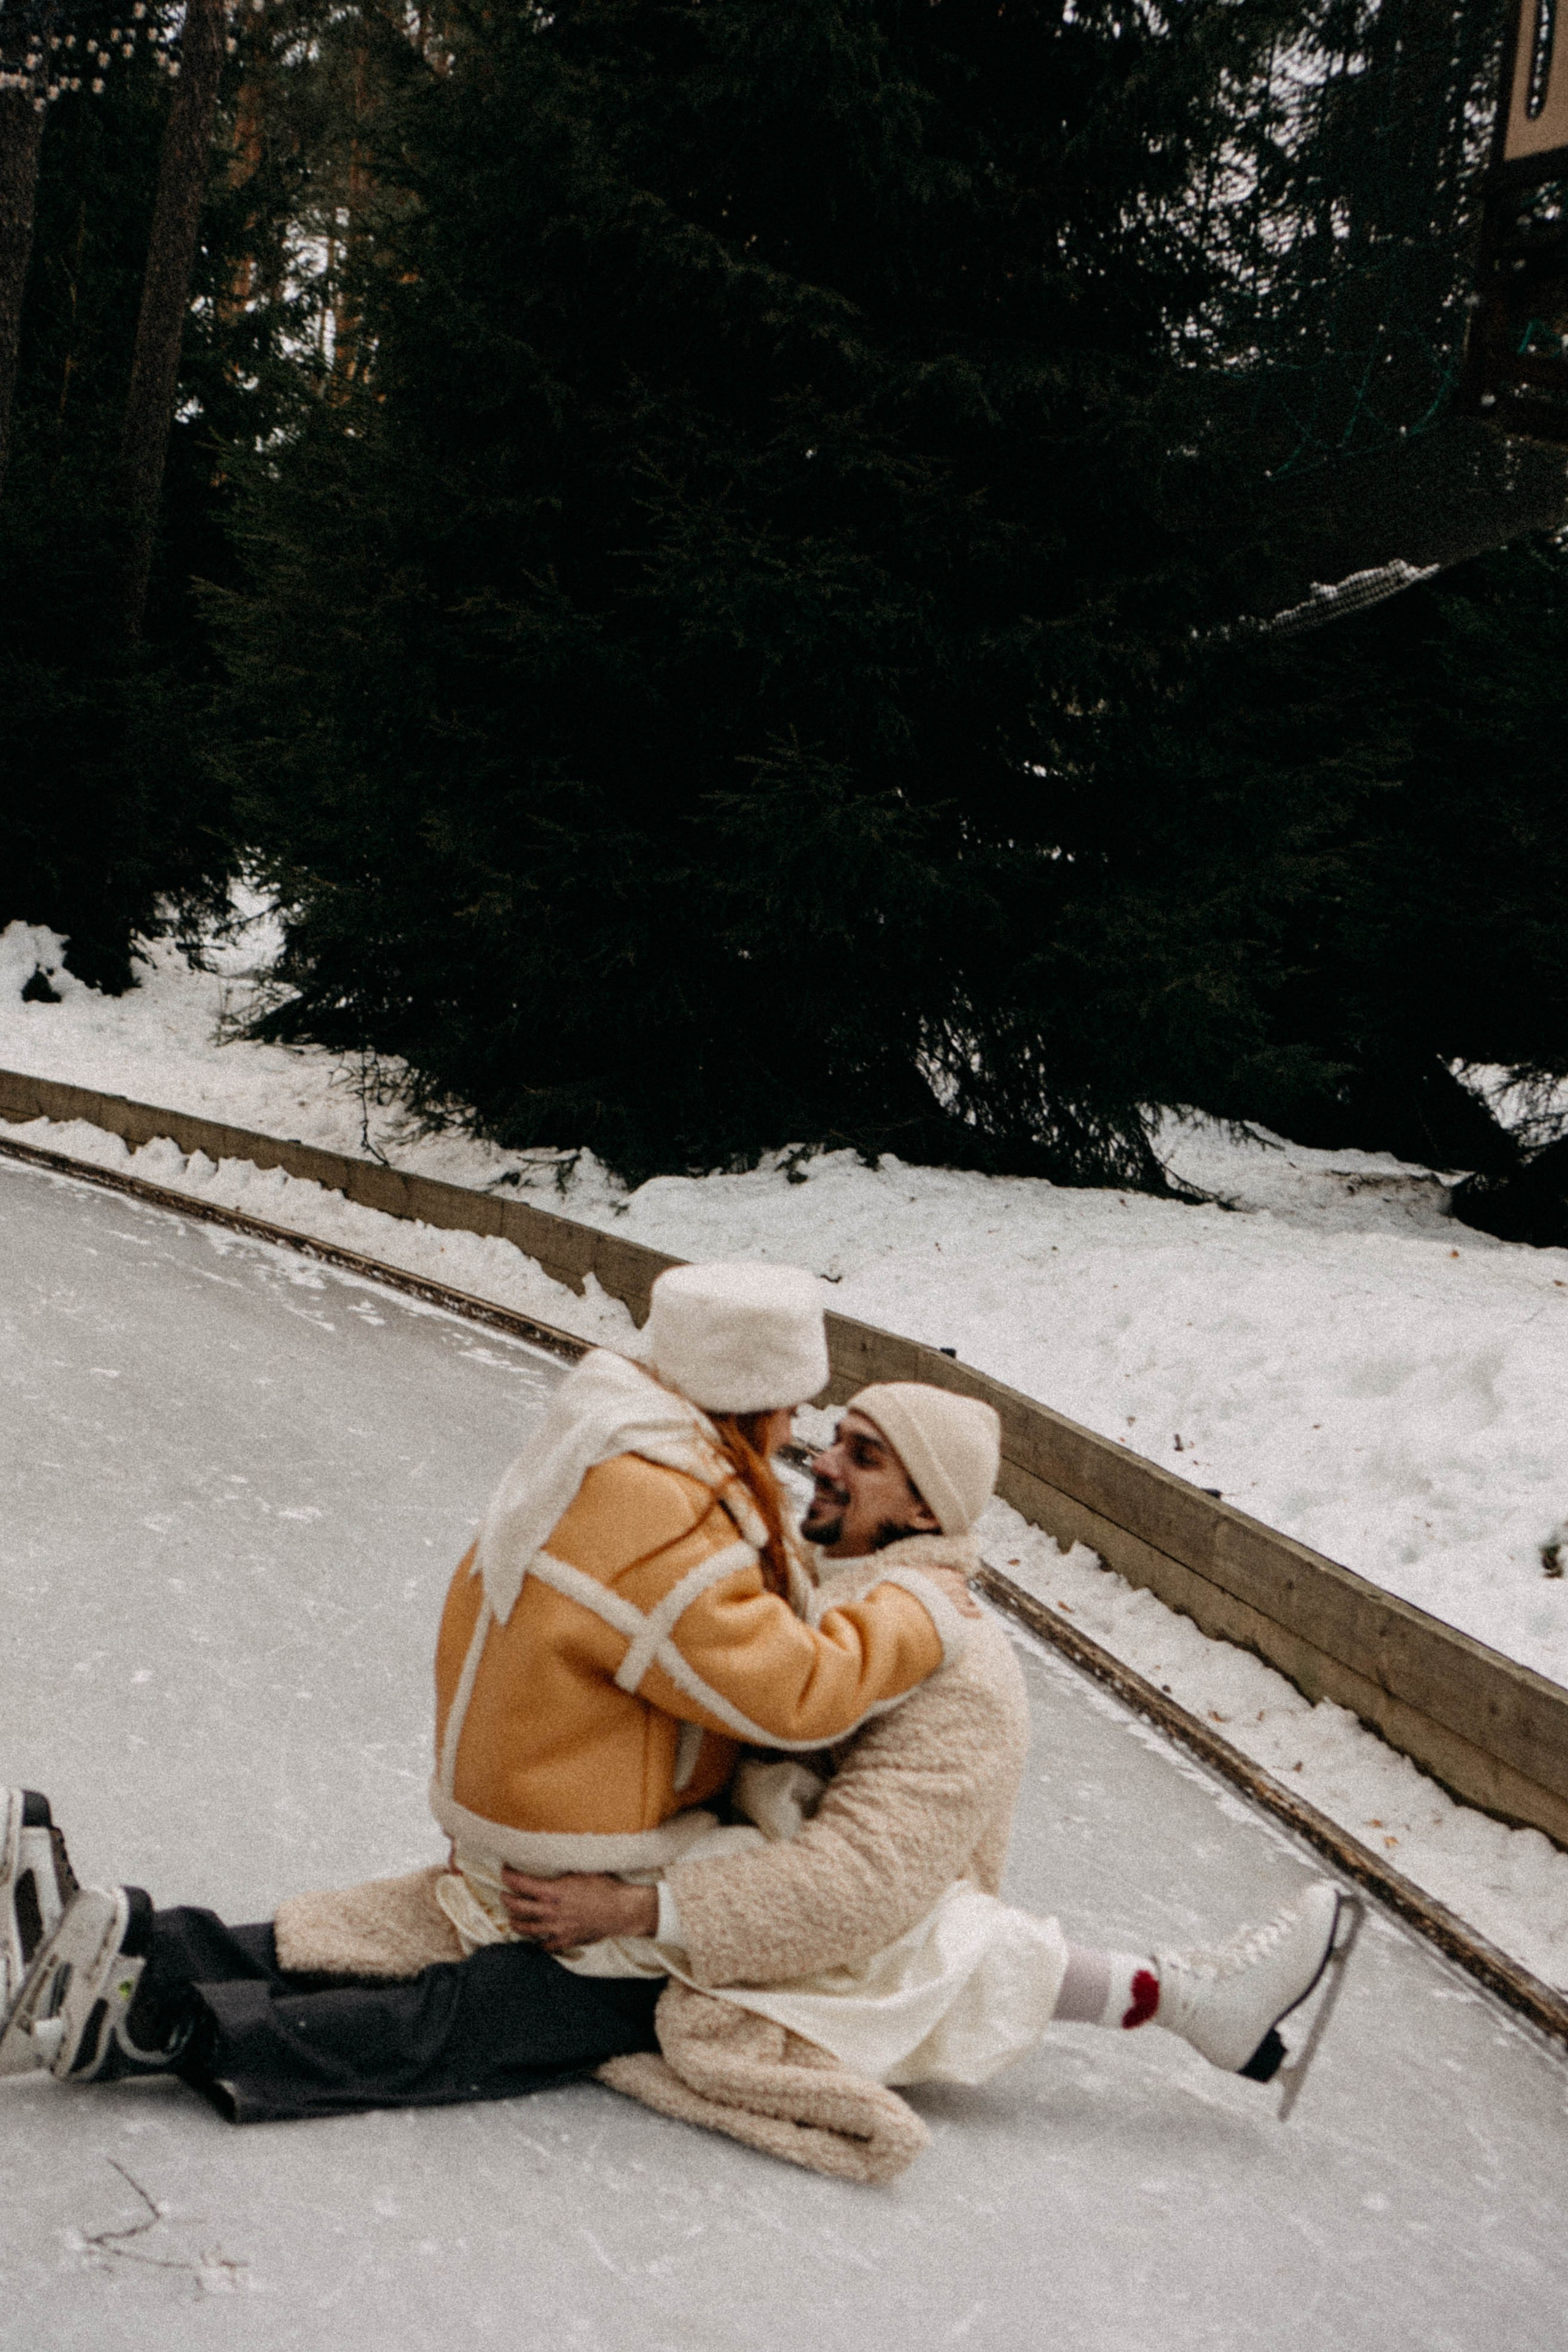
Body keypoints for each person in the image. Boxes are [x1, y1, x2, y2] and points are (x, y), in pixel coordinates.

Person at [0, 1264, 973, 2116]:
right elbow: (798, 1693)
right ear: (750, 1395)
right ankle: (160, 2025)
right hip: (584, 1846)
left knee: (373, 1943)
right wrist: (921, 1613)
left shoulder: (607, 1446)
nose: (800, 1440)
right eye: (794, 1409)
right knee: (494, 2019)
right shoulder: (673, 1517)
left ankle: (137, 1949)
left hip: (523, 1803)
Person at [495, 1385, 1354, 2180]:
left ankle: (1187, 1996)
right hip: (782, 1864)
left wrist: (632, 1910)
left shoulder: (963, 1673)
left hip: (870, 1917)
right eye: (836, 1439)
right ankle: (1185, 1997)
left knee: (942, 1937)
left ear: (923, 1510)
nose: (825, 1462)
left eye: (864, 1456)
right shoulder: (817, 1578)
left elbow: (860, 1886)